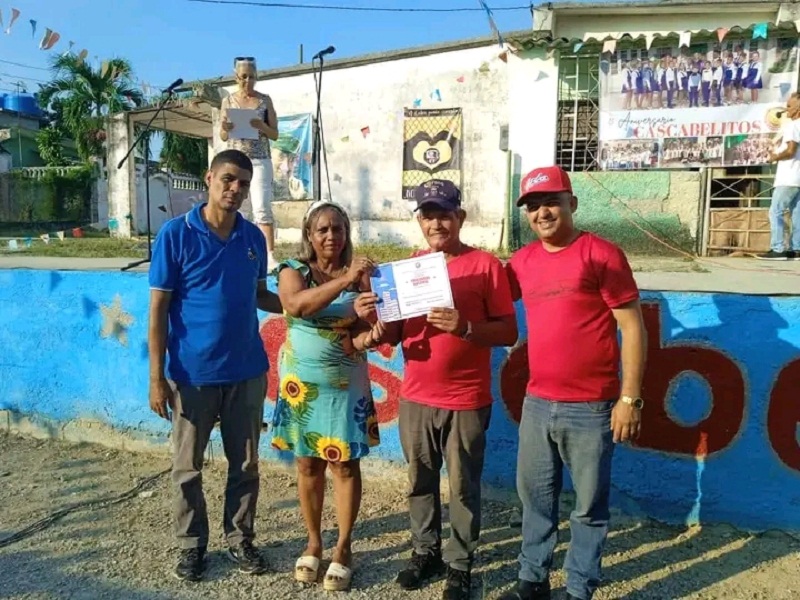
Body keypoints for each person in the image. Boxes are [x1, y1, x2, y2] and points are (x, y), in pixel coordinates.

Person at [355, 179, 518, 600]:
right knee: (419, 482)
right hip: (416, 398)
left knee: (463, 486)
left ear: (459, 218)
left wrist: (464, 327)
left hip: (466, 400)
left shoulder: (485, 266)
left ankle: (460, 564)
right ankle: (424, 551)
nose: (436, 222)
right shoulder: (408, 267)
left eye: (444, 213)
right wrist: (375, 307)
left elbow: (508, 330)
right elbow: (390, 333)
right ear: (420, 222)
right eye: (428, 215)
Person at [499, 166, 647, 600]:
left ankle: (580, 588)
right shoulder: (522, 262)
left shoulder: (602, 254)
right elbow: (480, 294)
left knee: (588, 507)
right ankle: (532, 580)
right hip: (537, 403)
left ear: (572, 204)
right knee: (535, 500)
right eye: (532, 206)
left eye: (550, 202)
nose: (541, 212)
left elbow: (633, 328)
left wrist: (630, 399)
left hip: (592, 407)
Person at [148, 149, 283, 582]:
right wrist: (156, 377)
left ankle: (240, 539)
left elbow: (261, 295)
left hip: (246, 372)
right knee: (187, 468)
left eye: (243, 183)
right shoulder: (176, 235)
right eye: (228, 179)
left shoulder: (252, 239)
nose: (235, 189)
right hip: (192, 376)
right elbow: (158, 311)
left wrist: (310, 305)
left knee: (245, 465)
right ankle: (192, 546)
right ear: (209, 179)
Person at [272, 200, 384, 592]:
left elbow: (370, 328)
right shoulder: (293, 270)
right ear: (308, 235)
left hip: (345, 386)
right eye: (322, 229)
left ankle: (343, 547)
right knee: (307, 465)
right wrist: (345, 281)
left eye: (338, 229)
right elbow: (296, 305)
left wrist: (372, 329)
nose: (331, 236)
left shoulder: (361, 275)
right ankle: (314, 541)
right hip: (302, 388)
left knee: (345, 467)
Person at [219, 56, 279, 267]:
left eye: (251, 77)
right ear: (236, 77)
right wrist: (225, 128)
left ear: (256, 77)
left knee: (262, 207)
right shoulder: (228, 101)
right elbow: (223, 136)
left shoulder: (265, 100)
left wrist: (260, 126)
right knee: (237, 206)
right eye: (243, 77)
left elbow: (275, 134)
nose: (247, 81)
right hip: (236, 161)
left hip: (260, 159)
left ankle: (269, 255)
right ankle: (237, 250)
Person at [760, 93, 800, 260]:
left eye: (790, 106)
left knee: (776, 210)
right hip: (797, 177)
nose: (786, 110)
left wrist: (775, 157)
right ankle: (796, 248)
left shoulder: (793, 126)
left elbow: (791, 150)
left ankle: (777, 249)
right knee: (797, 213)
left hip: (788, 177)